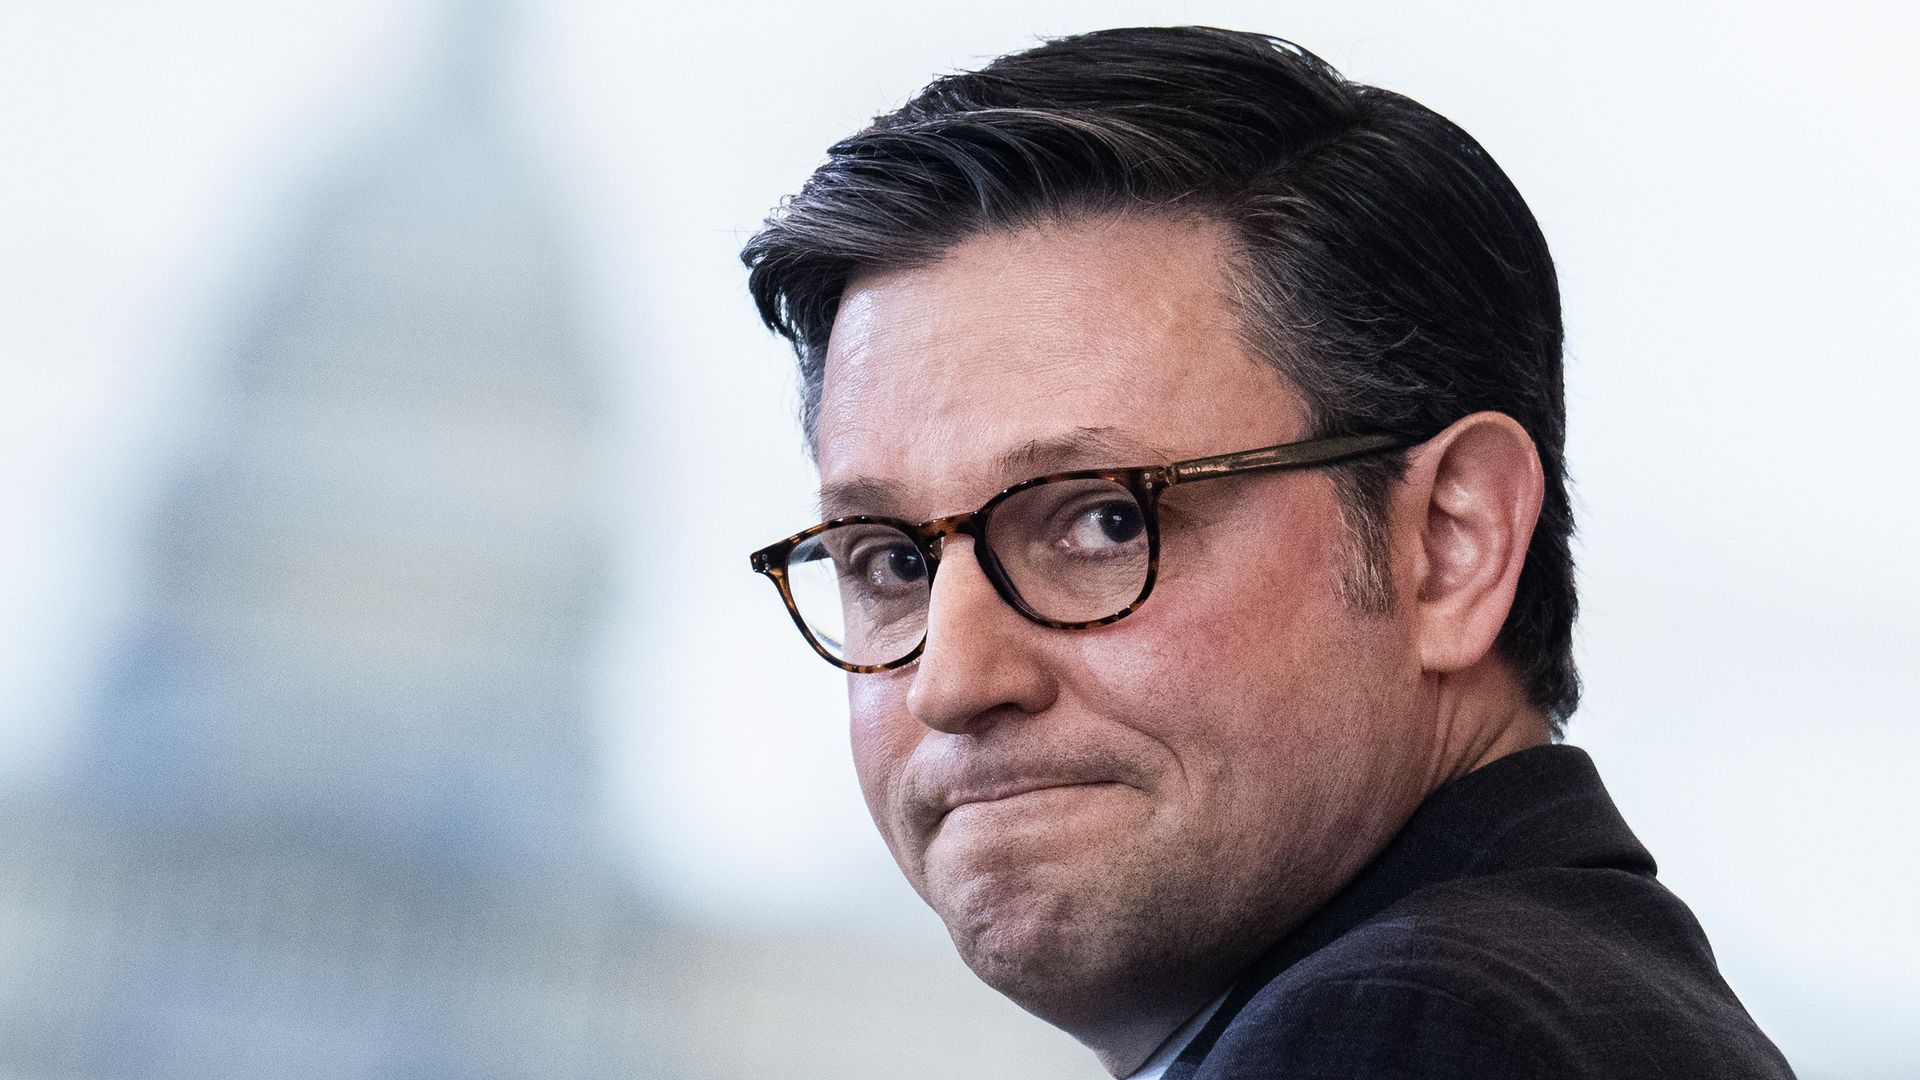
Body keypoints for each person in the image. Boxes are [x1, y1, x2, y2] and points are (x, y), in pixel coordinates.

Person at [740, 26, 1795, 1080]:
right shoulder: (1548, 1004)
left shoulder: (1413, 1031)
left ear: (1448, 545)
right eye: (893, 563)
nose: (953, 682)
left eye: (1106, 522)